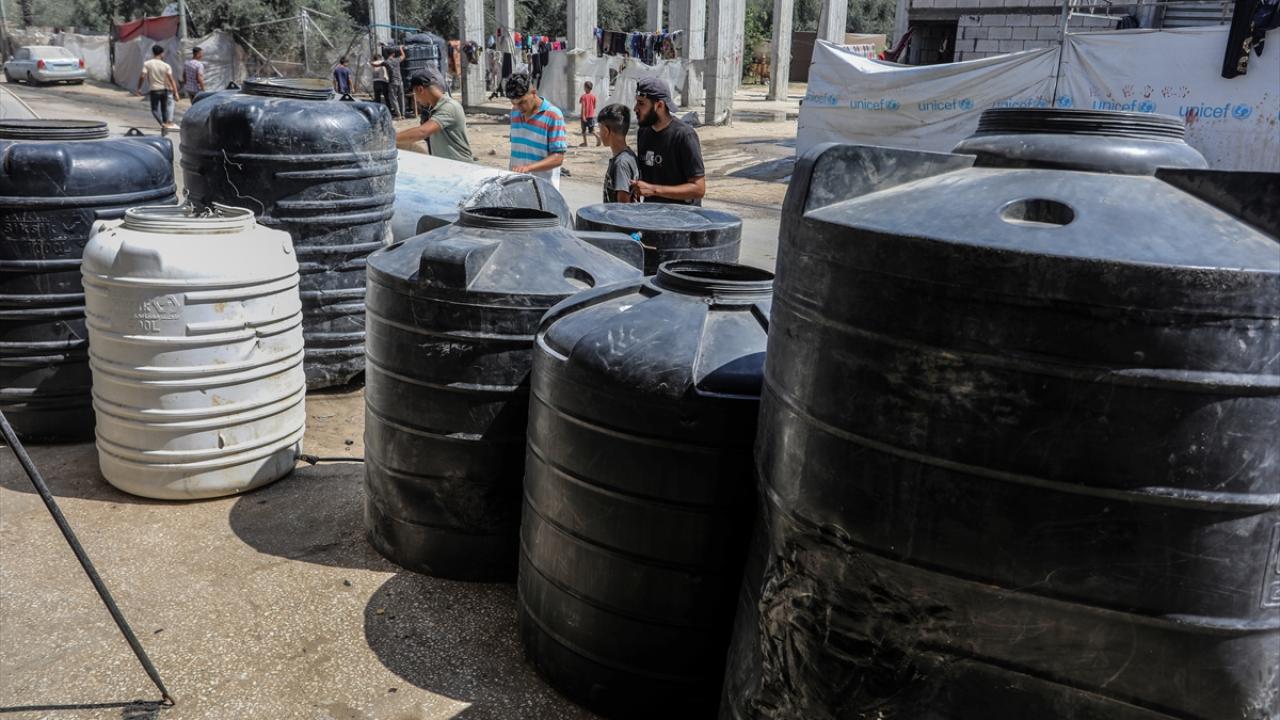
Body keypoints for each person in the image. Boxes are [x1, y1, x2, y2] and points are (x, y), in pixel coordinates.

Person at [632, 77, 706, 205]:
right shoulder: (643, 132)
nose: (635, 108)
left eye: (641, 103)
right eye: (636, 102)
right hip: (652, 214)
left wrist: (654, 190)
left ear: (659, 105)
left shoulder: (684, 136)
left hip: (682, 215)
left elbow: (698, 189)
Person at [395, 68, 474, 163]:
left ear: (420, 89)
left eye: (415, 94)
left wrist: (390, 139)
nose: (417, 100)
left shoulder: (449, 107)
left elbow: (422, 132)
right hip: (447, 165)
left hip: (460, 166)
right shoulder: (433, 108)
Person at [505, 72, 567, 188]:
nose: (519, 107)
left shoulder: (553, 115)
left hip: (543, 190)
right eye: (514, 103)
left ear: (533, 92)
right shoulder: (515, 112)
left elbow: (558, 158)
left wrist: (528, 168)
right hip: (517, 187)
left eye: (522, 102)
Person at [597, 104, 639, 203]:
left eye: (600, 129)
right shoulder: (629, 156)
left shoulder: (621, 163)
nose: (599, 133)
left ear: (606, 131)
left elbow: (623, 206)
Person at [136, 44, 179, 131]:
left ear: (153, 53)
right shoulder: (166, 65)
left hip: (154, 90)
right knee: (164, 109)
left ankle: (162, 124)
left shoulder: (147, 64)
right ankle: (165, 124)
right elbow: (171, 80)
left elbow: (142, 76)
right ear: (162, 53)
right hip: (164, 90)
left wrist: (139, 88)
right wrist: (176, 92)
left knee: (154, 110)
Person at [385, 46, 406, 119]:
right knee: (401, 98)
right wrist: (400, 49)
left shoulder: (386, 62)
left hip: (392, 82)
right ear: (393, 54)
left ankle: (398, 115)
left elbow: (377, 64)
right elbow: (403, 56)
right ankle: (403, 114)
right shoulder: (397, 60)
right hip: (400, 81)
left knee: (393, 98)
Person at [578, 81, 600, 147]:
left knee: (584, 130)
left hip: (584, 116)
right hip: (591, 116)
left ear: (586, 88)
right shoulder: (593, 97)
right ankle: (598, 137)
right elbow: (594, 106)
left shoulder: (583, 97)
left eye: (584, 87)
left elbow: (583, 107)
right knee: (592, 130)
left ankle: (585, 143)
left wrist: (583, 116)